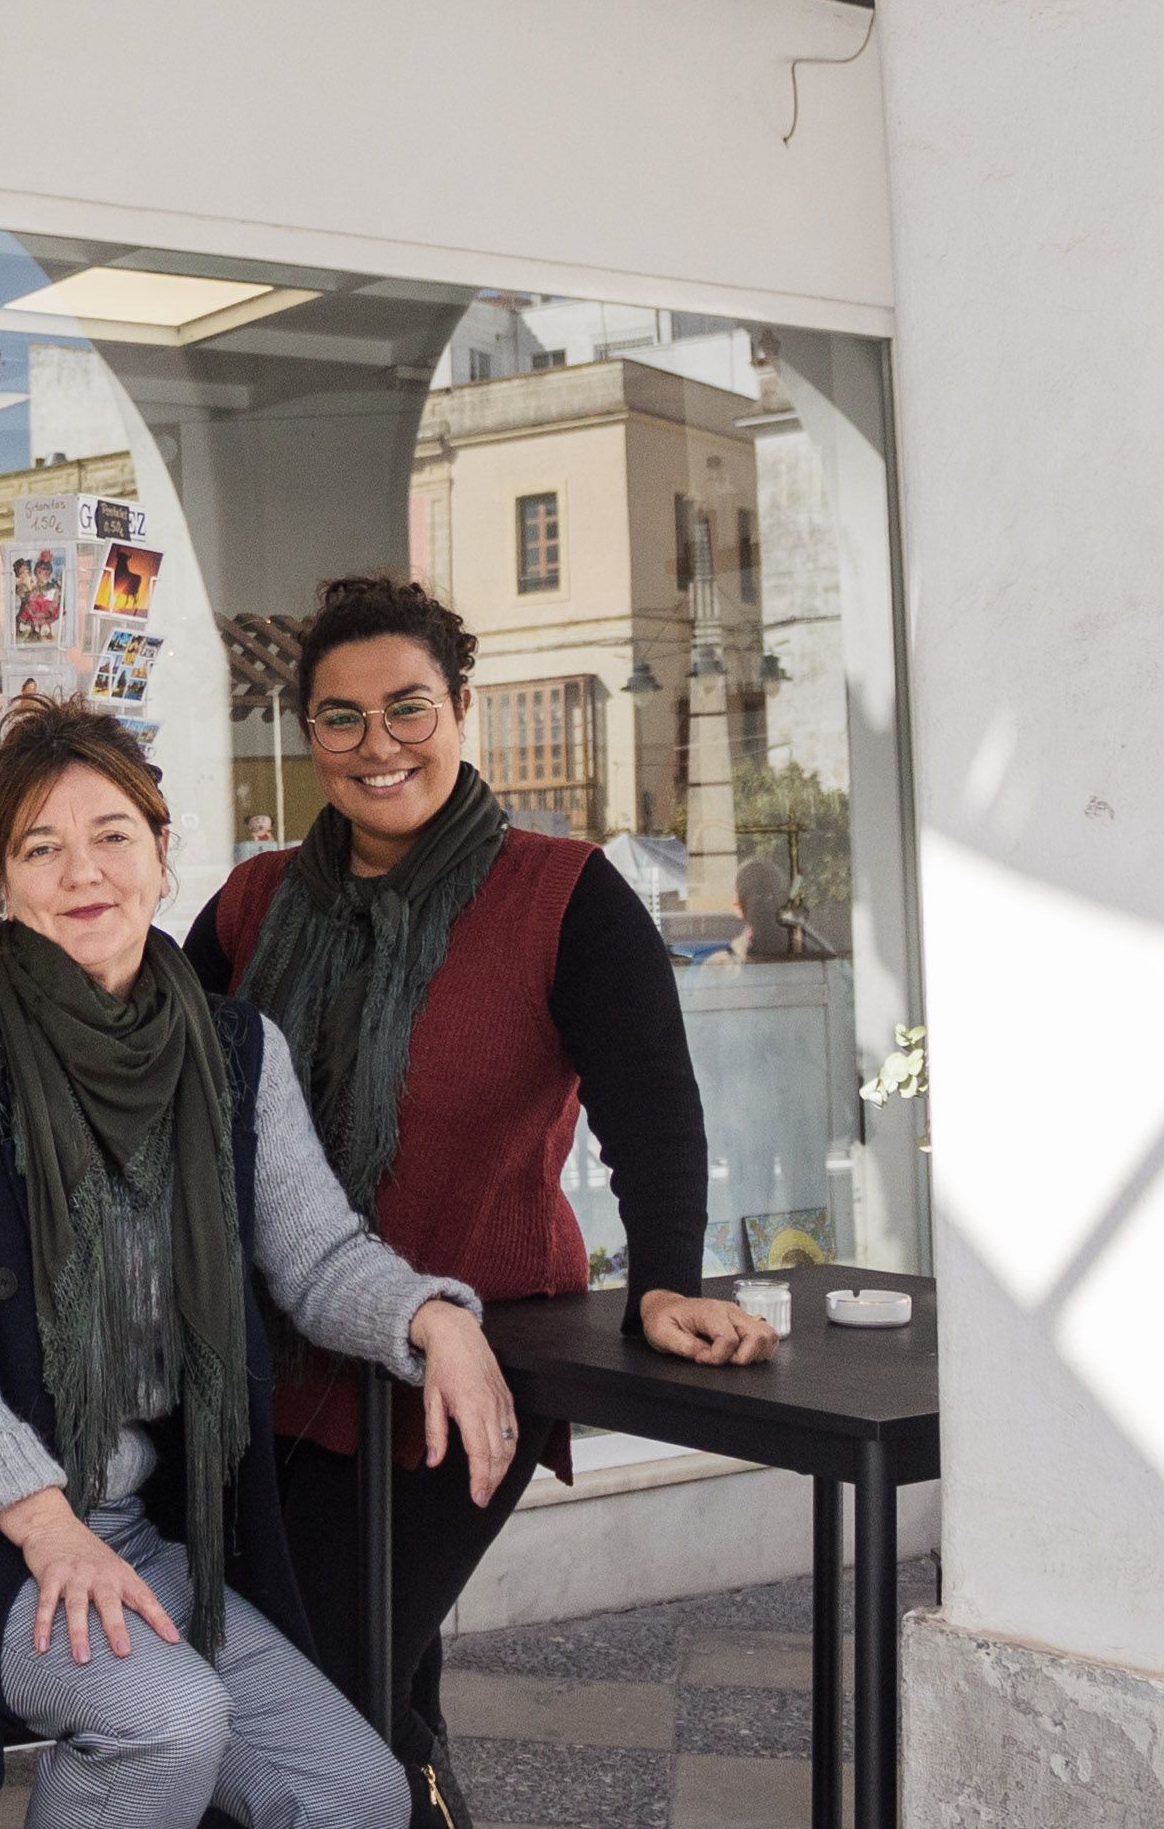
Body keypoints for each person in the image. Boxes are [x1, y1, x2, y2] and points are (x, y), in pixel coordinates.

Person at [0, 699, 518, 1829]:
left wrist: (432, 1318)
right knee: (166, 1718)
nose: (80, 871)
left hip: (129, 1532)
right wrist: (44, 1523)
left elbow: (316, 1252)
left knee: (354, 1795)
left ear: (162, 852)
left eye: (110, 833)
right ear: (2, 883)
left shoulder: (235, 1048)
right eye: (39, 847)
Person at [185, 575, 781, 1827]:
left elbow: (653, 1112)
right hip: (270, 1370)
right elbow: (162, 1099)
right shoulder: (251, 903)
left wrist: (665, 1276)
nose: (376, 743)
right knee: (375, 1696)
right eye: (340, 718)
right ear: (308, 735)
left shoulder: (562, 893)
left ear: (462, 706)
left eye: (407, 706)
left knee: (308, 1700)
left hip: (467, 1373)